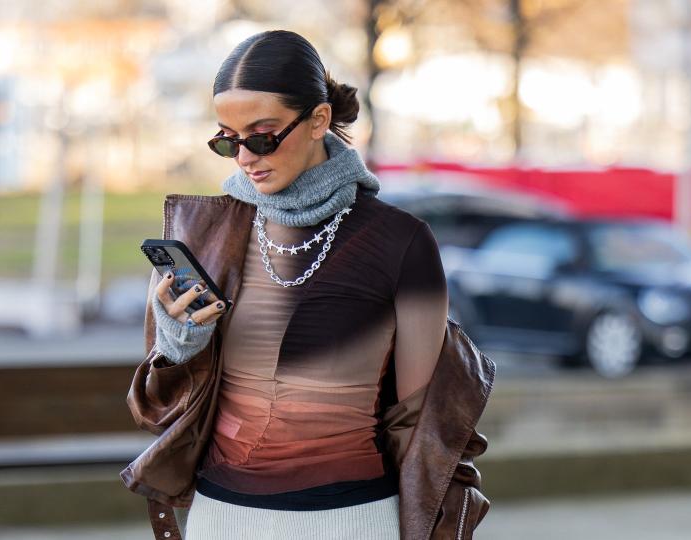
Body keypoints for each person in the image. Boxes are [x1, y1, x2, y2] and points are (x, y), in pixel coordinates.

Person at [121, 30, 495, 540]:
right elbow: (160, 408)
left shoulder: (401, 241)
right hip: (219, 518)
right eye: (227, 140)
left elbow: (418, 423)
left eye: (263, 135)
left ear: (320, 119)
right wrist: (177, 346)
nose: (245, 157)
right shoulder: (208, 236)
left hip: (352, 520)